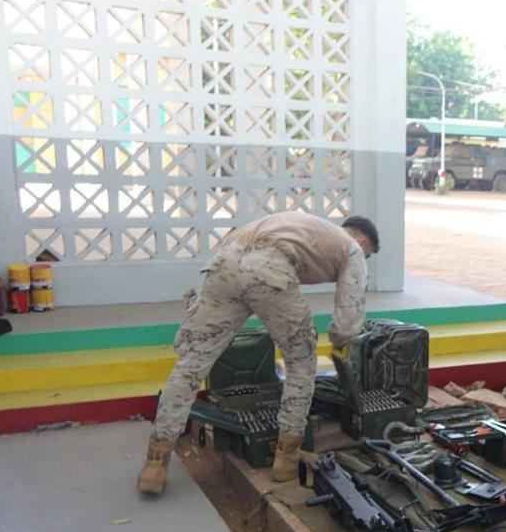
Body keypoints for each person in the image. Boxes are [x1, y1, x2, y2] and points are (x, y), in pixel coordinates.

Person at [137, 212, 380, 495]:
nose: (365, 259)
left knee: (191, 365)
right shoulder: (352, 249)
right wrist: (341, 341)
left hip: (224, 263)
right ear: (364, 242)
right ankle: (286, 459)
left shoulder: (310, 228)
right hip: (268, 269)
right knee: (301, 362)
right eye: (369, 255)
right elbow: (350, 310)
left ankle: (155, 462)